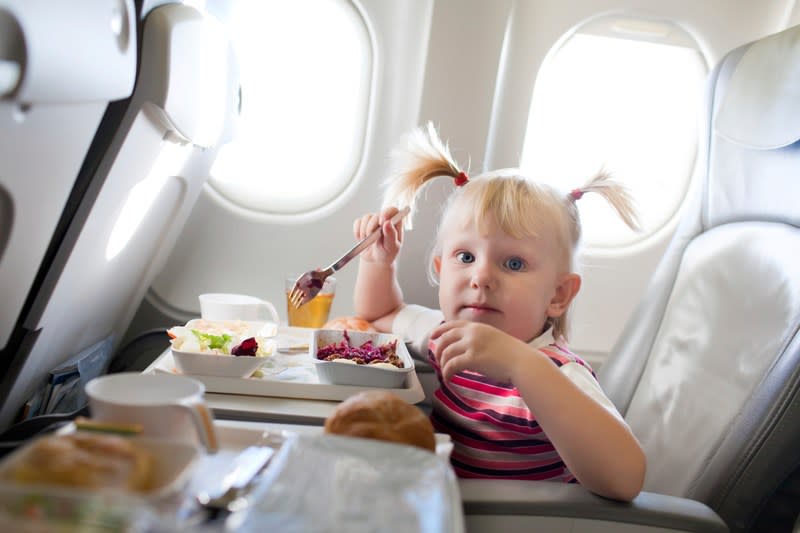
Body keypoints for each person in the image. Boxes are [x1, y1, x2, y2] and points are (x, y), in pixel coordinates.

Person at [352, 122, 646, 501]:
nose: (481, 277)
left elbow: (625, 479)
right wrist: (379, 262)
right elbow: (381, 313)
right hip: (444, 506)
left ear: (558, 294)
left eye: (514, 264)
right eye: (466, 257)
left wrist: (520, 364)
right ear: (442, 271)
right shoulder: (449, 335)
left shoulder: (556, 372)